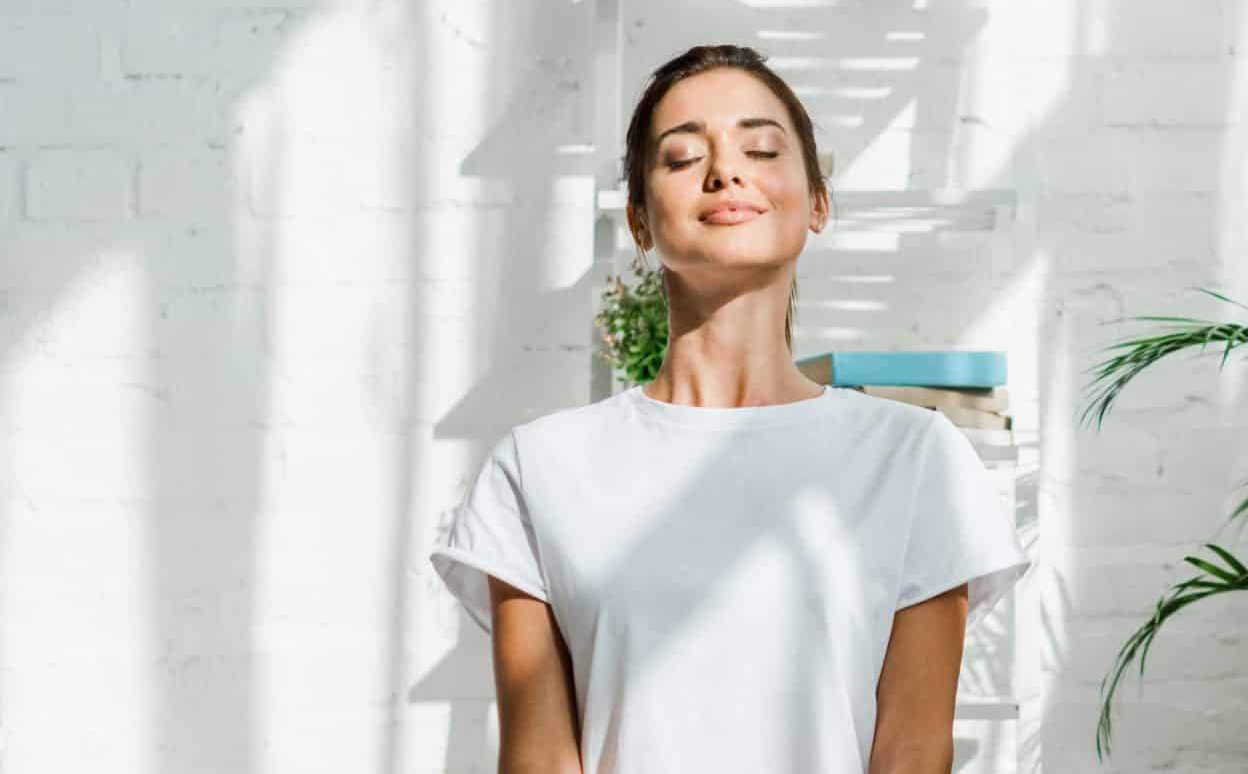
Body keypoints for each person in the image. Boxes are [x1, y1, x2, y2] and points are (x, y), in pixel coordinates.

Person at [426, 44, 1029, 774]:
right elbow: (539, 761)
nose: (725, 170)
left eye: (763, 147)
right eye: (681, 158)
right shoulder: (538, 467)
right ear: (641, 222)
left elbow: (912, 752)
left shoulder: (915, 457)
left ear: (817, 202)